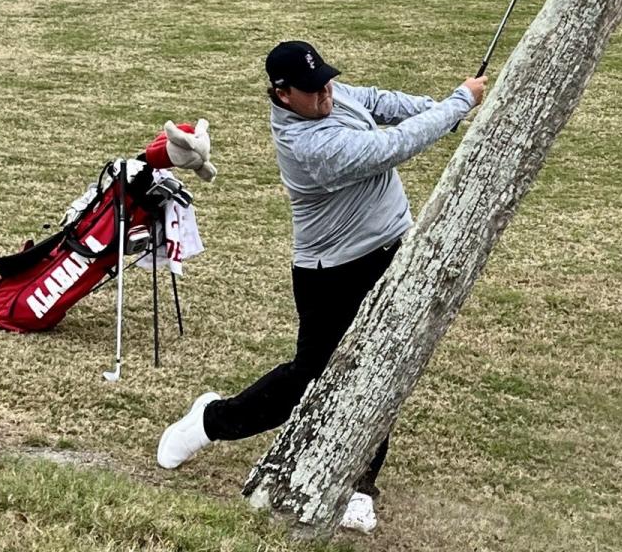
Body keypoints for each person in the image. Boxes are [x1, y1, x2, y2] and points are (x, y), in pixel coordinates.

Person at [157, 41, 487, 532]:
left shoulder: (327, 94)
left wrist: (438, 107)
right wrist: (458, 104)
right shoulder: (307, 147)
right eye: (314, 90)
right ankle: (210, 421)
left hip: (391, 249)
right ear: (282, 94)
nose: (328, 93)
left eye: (328, 81)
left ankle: (358, 483)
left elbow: (376, 100)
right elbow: (389, 147)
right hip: (330, 270)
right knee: (310, 377)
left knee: (381, 364)